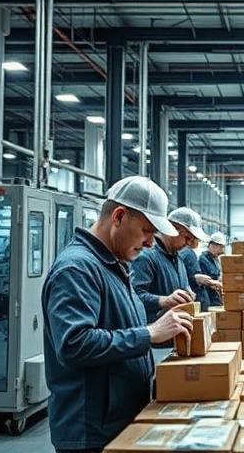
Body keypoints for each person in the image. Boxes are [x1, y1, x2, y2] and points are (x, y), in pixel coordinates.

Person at [41, 176, 195, 453]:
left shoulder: (112, 265)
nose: (150, 243)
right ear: (119, 216)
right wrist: (150, 333)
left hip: (118, 421)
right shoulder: (77, 269)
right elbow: (74, 344)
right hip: (92, 431)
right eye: (146, 230)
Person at [132, 207, 208, 362]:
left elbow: (183, 286)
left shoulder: (177, 259)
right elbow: (133, 297)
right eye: (187, 238)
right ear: (173, 229)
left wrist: (188, 293)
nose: (188, 244)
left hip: (173, 340)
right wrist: (164, 300)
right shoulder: (146, 258)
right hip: (153, 345)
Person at [198, 232, 227, 307]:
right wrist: (216, 284)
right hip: (209, 299)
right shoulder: (203, 260)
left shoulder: (214, 259)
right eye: (220, 248)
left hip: (216, 298)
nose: (221, 251)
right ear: (214, 245)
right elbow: (205, 281)